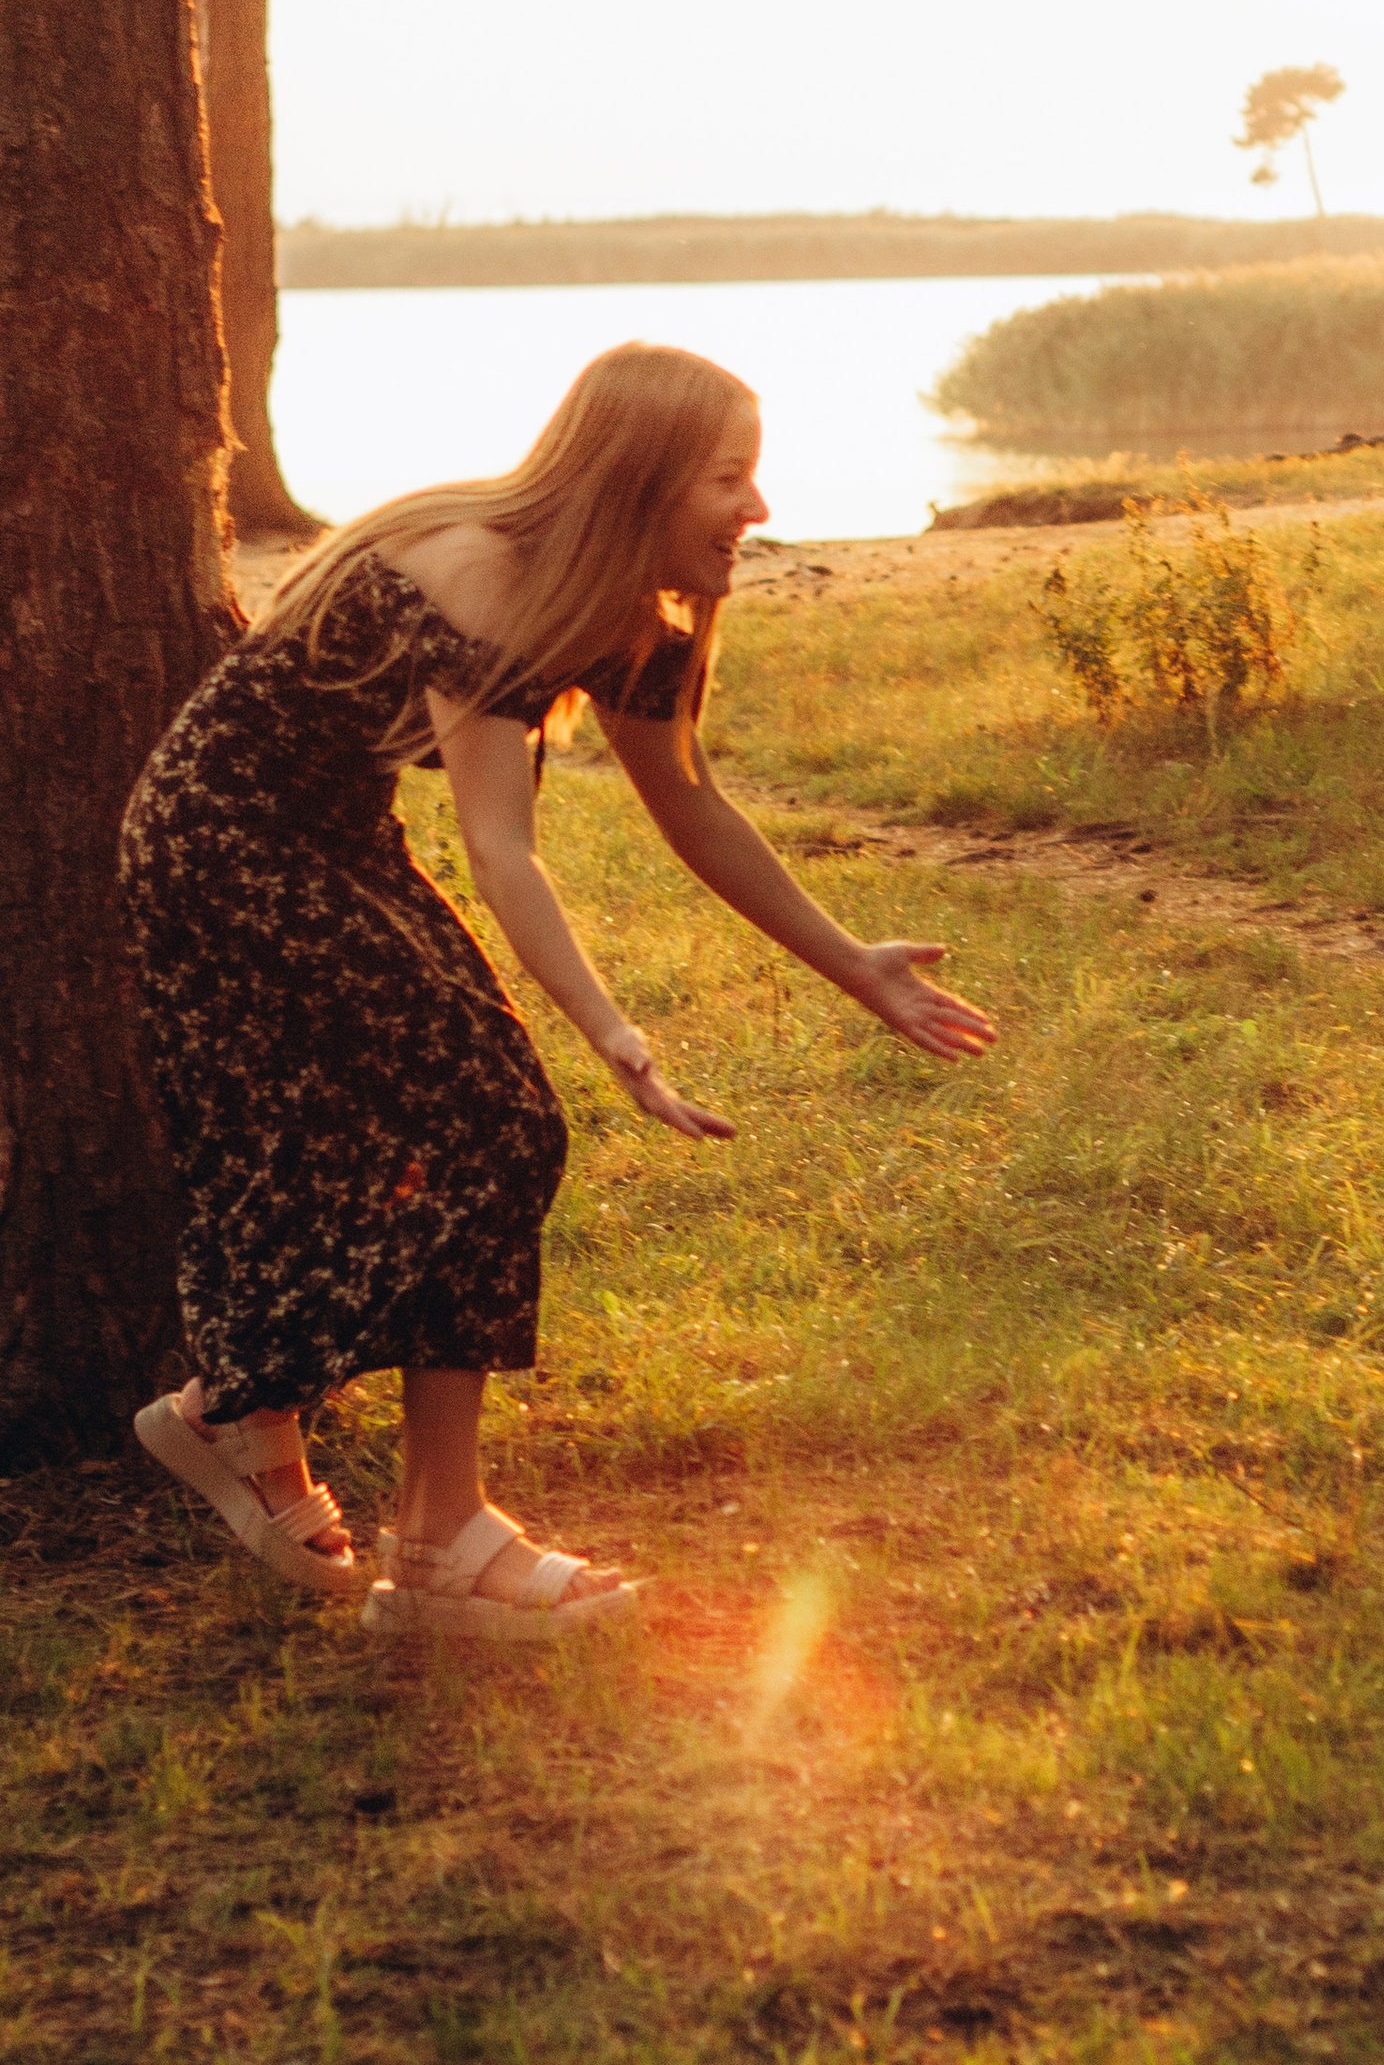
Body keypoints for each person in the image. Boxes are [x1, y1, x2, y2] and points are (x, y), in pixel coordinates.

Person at [121, 342, 993, 1643]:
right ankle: (391, 1511)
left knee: (456, 1126)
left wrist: (851, 961)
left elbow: (690, 804)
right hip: (221, 847)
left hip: (331, 843)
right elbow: (502, 844)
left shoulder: (632, 612)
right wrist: (610, 1030)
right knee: (490, 1113)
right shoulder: (480, 573)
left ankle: (288, 1445)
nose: (759, 510)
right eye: (730, 479)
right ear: (639, 479)